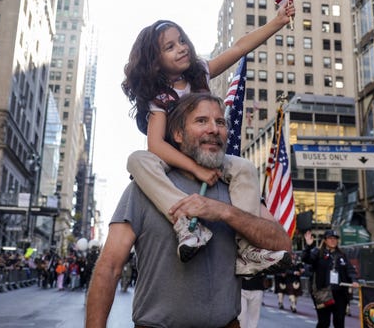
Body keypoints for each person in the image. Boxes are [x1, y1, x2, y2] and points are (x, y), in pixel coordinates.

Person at [85, 92, 292, 328]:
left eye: (220, 122)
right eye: (201, 121)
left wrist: (225, 212)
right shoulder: (143, 187)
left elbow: (283, 245)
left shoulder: (238, 189)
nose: (214, 129)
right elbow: (109, 267)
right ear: (178, 135)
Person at [122, 3, 295, 274]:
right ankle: (184, 222)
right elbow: (155, 145)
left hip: (209, 154)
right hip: (176, 157)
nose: (181, 48)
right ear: (155, 63)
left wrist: (278, 22)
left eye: (181, 40)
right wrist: (195, 169)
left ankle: (248, 249)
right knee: (137, 160)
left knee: (245, 168)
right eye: (170, 47)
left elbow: (239, 48)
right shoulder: (160, 97)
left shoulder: (200, 72)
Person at [302, 229, 359, 328]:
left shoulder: (342, 255)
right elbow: (306, 259)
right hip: (323, 293)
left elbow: (350, 270)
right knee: (324, 322)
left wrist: (354, 280)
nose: (333, 241)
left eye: (335, 239)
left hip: (340, 294)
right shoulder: (318, 253)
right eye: (330, 238)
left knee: (339, 322)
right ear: (325, 240)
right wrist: (308, 246)